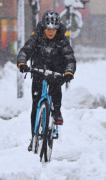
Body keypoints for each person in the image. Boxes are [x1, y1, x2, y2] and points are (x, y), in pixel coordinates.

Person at [17, 10, 76, 151]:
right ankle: (34, 137)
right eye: (48, 29)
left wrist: (68, 71)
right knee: (35, 105)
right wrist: (22, 62)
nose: (51, 32)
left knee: (55, 90)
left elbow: (70, 59)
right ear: (43, 27)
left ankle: (56, 111)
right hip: (38, 73)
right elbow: (25, 50)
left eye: (53, 29)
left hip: (56, 74)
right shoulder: (37, 38)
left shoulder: (62, 40)